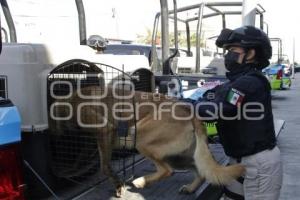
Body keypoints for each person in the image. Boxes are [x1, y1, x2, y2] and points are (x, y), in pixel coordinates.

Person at [196, 26, 283, 200]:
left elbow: (219, 109)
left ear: (250, 54)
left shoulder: (250, 83)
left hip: (258, 164)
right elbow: (211, 97)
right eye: (227, 50)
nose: (227, 55)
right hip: (238, 160)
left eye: (233, 50)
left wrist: (183, 107)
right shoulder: (236, 82)